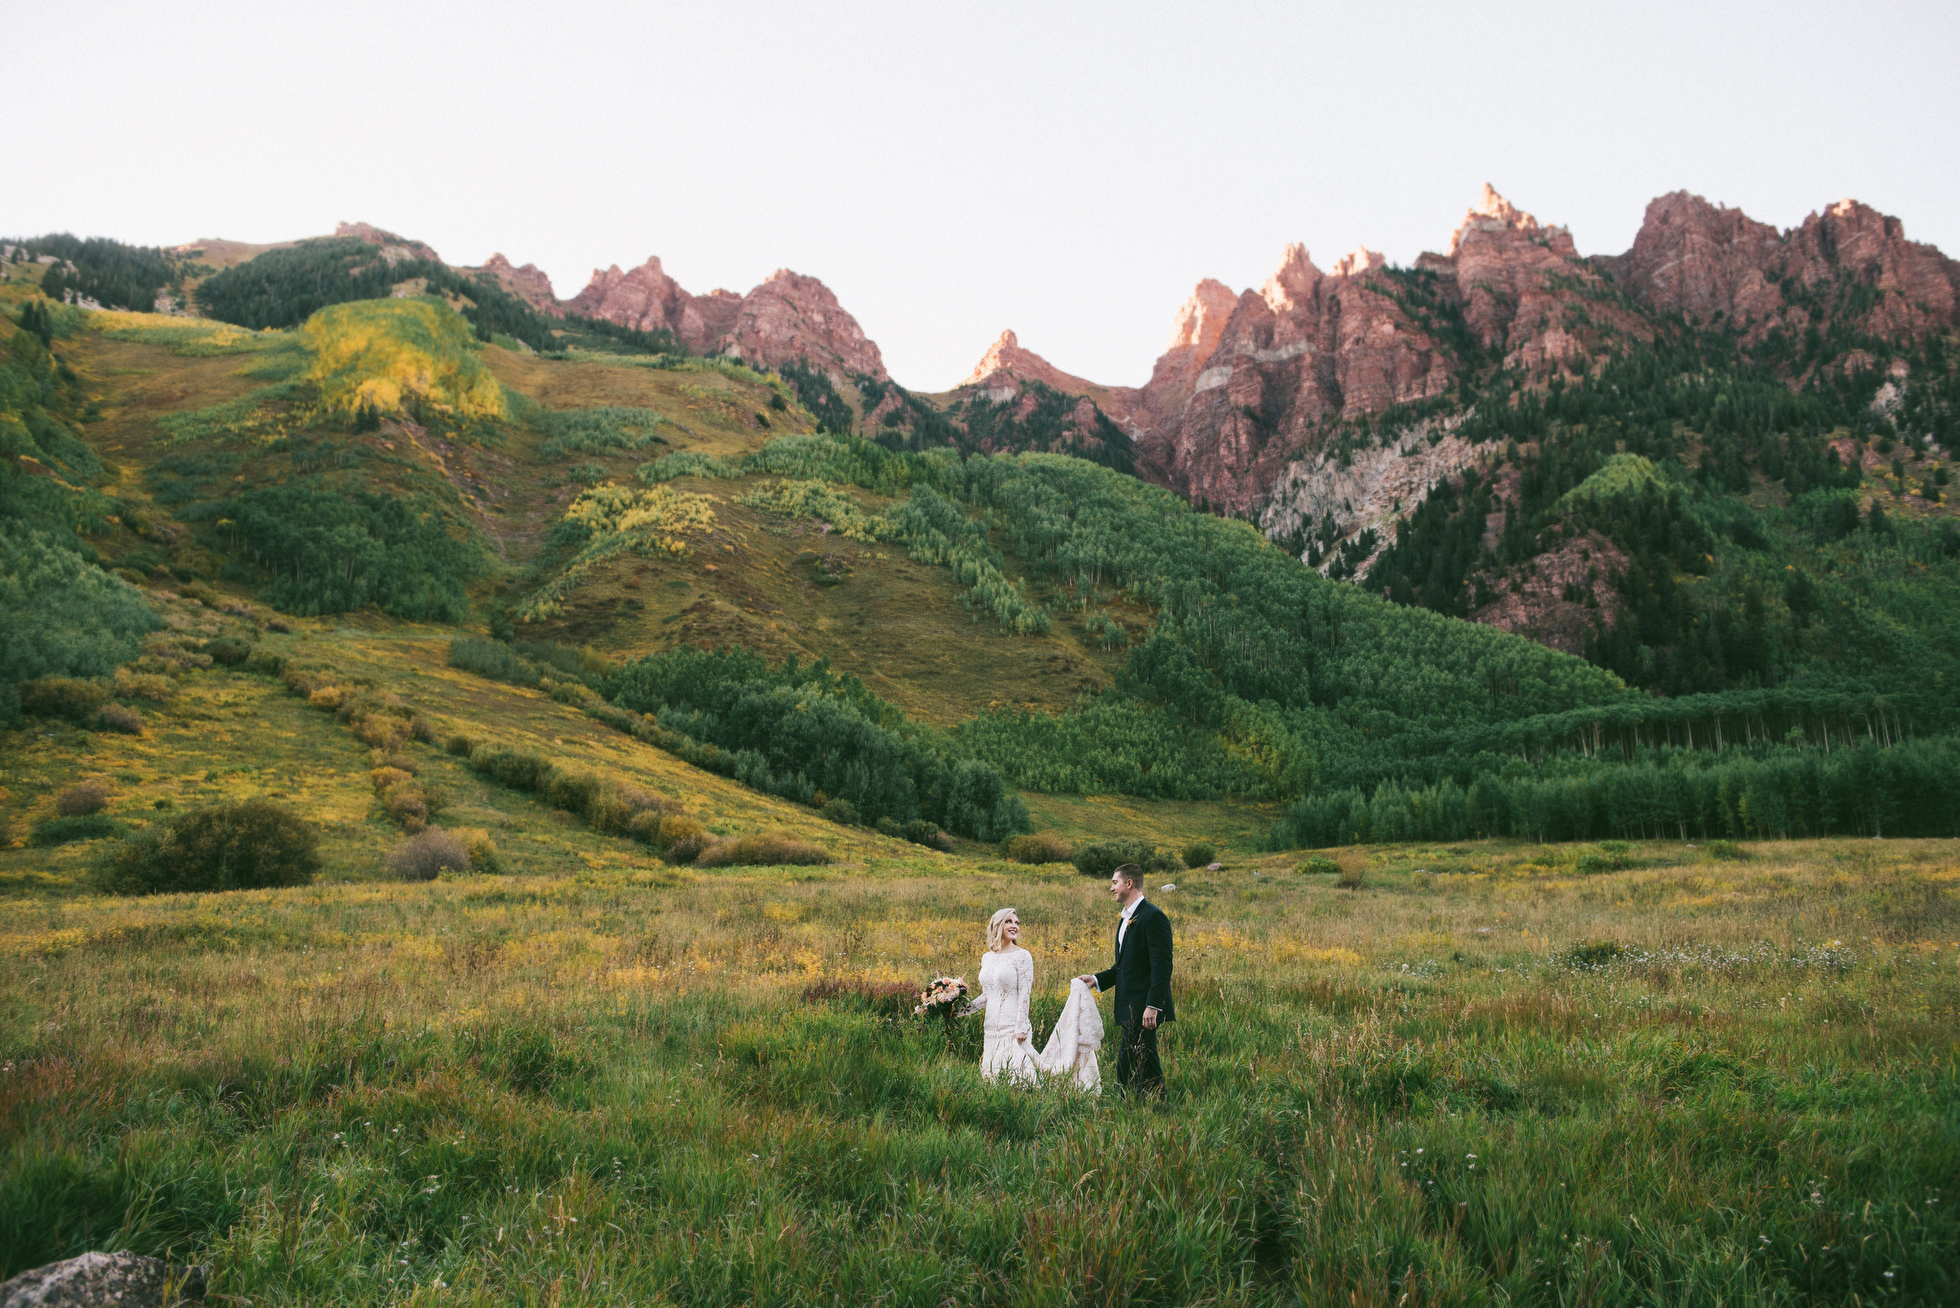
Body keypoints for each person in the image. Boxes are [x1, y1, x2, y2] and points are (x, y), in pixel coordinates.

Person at [964, 908, 1105, 1091]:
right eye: (1009, 921)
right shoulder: (987, 957)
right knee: (993, 1079)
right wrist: (961, 1010)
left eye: (1017, 922)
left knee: (1018, 1078)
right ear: (997, 924)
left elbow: (1025, 993)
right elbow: (987, 995)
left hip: (1012, 1026)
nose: (1014, 926)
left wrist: (1021, 1026)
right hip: (991, 1028)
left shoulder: (1022, 956)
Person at [1076, 863, 1174, 1096]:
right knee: (1136, 1061)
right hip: (1130, 1006)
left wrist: (1153, 1005)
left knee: (1137, 1061)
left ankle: (1153, 1105)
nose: (1112, 888)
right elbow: (1124, 966)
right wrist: (1097, 980)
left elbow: (1162, 966)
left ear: (1128, 884)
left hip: (1144, 1007)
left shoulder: (1153, 917)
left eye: (1114, 882)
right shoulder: (1126, 920)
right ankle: (1141, 1106)